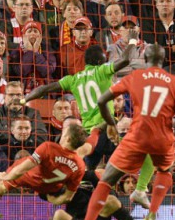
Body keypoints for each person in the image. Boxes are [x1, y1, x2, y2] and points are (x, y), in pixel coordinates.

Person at [71, 44, 175, 220]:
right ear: (164, 59)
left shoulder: (135, 76)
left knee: (106, 181)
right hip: (163, 138)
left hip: (136, 136)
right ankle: (149, 210)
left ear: (144, 58)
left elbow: (102, 100)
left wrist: (110, 124)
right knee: (164, 171)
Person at [23, 36, 138, 170]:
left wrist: (24, 100)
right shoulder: (102, 71)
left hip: (88, 135)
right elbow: (125, 60)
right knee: (136, 154)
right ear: (100, 61)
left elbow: (44, 89)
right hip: (106, 130)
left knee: (87, 173)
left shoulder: (73, 79)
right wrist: (133, 40)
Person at [0, 124, 88, 220]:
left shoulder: (49, 147)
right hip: (49, 189)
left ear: (67, 139)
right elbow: (68, 197)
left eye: (64, 133)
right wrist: (53, 201)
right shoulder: (80, 165)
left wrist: (5, 177)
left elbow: (21, 170)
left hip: (27, 177)